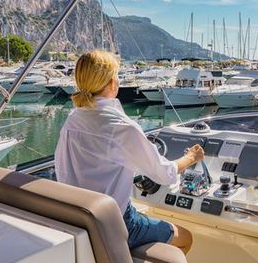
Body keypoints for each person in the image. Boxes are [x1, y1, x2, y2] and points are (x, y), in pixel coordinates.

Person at [54, 50, 204, 254]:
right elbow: (164, 174)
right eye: (116, 75)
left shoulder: (73, 119)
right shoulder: (122, 126)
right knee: (185, 237)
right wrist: (190, 157)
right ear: (110, 83)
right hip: (117, 222)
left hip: (75, 215)